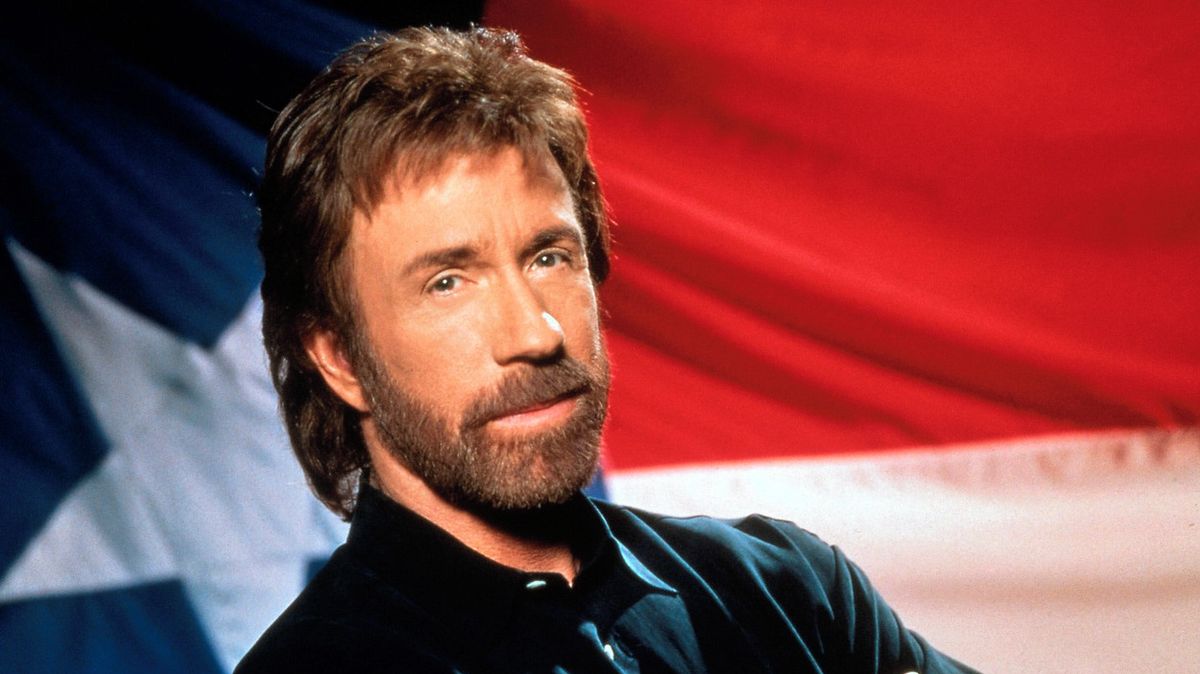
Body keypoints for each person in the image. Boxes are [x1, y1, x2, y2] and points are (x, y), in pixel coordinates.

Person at [237, 26, 978, 674]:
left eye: (548, 257)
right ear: (339, 359)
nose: (536, 335)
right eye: (447, 283)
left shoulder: (789, 590)